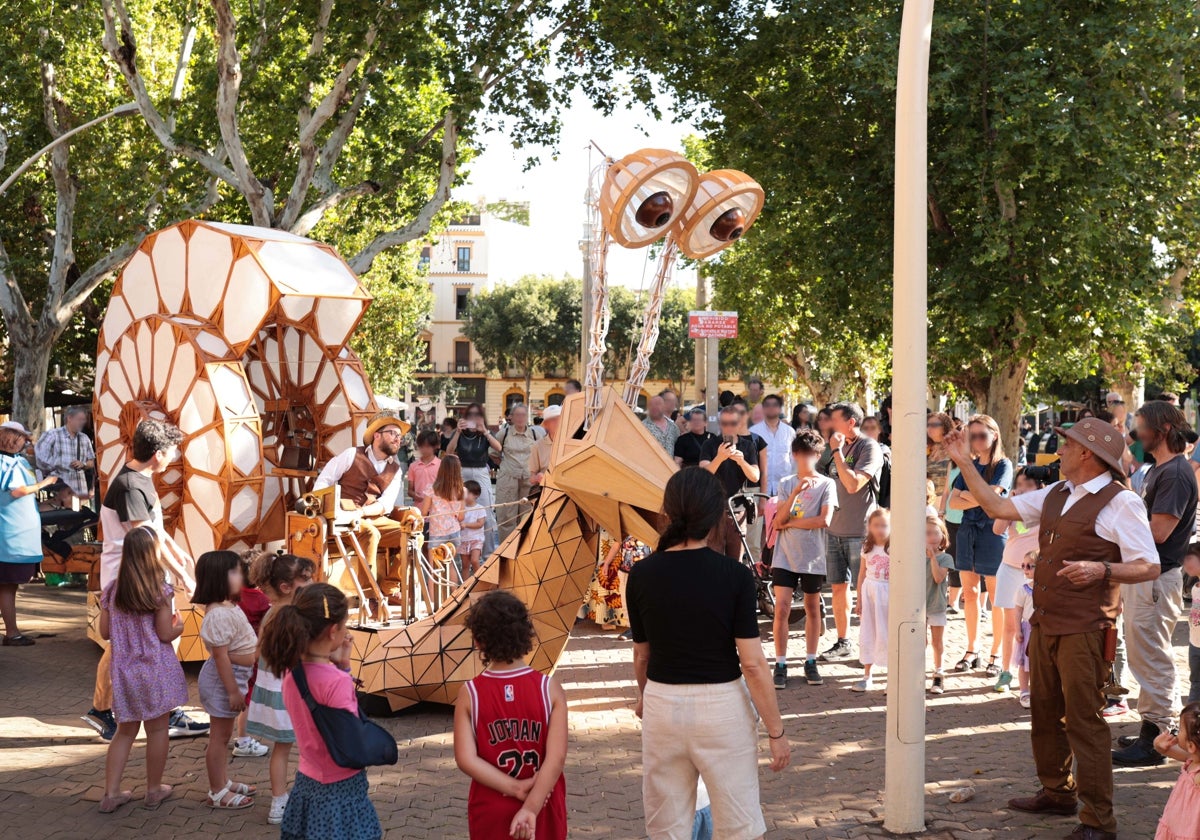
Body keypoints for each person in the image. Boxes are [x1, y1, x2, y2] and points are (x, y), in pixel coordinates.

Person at [947, 417, 1159, 840]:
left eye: (1066, 445)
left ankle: (1099, 822)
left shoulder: (1121, 502)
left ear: (1087, 454)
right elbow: (998, 507)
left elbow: (1149, 564)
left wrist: (1103, 568)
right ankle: (1057, 793)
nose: (1058, 451)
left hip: (1085, 626)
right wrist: (962, 461)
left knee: (1084, 722)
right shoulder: (1058, 492)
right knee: (1045, 714)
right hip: (1044, 620)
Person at [626, 468, 790, 839]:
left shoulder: (642, 574)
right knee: (737, 823)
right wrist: (776, 731)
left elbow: (642, 656)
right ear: (717, 514)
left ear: (668, 511)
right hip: (721, 706)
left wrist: (643, 696)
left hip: (662, 704)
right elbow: (752, 663)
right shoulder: (733, 575)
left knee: (667, 825)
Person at [83, 419, 202, 742]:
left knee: (144, 640)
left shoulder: (139, 479)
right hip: (130, 576)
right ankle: (106, 708)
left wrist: (176, 551)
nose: (176, 455)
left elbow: (154, 528)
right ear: (158, 454)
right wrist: (182, 576)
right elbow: (145, 537)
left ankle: (162, 706)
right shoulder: (132, 484)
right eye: (173, 450)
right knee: (127, 642)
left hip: (140, 573)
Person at [258, 584, 382, 840]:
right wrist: (344, 674)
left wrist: (341, 667)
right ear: (333, 630)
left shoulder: (292, 673)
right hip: (340, 787)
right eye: (345, 626)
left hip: (307, 780)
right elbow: (350, 734)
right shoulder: (335, 682)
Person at [1113, 400, 1199, 766]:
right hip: (1147, 575)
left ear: (1161, 431)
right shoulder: (1158, 469)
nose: (1136, 434)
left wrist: (1117, 531)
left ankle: (1156, 739)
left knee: (1152, 657)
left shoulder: (1176, 474)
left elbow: (1159, 531)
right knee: (1143, 655)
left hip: (1155, 576)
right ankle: (1155, 730)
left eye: (1141, 427)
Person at [454, 590, 568, 840]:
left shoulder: (469, 693)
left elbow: (466, 759)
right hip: (543, 802)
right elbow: (556, 759)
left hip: (492, 805)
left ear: (478, 641)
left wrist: (515, 788)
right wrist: (530, 808)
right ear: (526, 633)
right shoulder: (549, 689)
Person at [96, 527, 188, 814]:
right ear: (153, 554)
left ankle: (111, 793)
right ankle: (153, 790)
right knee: (158, 729)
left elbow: (105, 631)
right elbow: (163, 634)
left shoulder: (112, 590)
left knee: (125, 732)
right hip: (154, 669)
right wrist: (179, 627)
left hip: (124, 672)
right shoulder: (159, 591)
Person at [246, 552, 317, 825]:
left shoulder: (270, 614)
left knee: (283, 749)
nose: (310, 584)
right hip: (289, 693)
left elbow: (257, 653)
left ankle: (280, 799)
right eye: (305, 579)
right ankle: (283, 800)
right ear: (287, 587)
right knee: (294, 748)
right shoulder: (290, 617)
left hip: (274, 691)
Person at [314, 412, 410, 603]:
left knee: (412, 534)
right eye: (393, 433)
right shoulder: (352, 455)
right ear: (377, 435)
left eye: (400, 436)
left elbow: (385, 505)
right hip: (342, 518)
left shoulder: (396, 470)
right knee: (370, 533)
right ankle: (370, 597)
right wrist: (331, 511)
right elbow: (323, 481)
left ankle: (390, 587)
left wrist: (363, 512)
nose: (398, 439)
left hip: (370, 516)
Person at [771, 430, 837, 689]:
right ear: (795, 455)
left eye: (813, 455)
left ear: (818, 456)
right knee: (782, 608)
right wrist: (797, 491)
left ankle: (810, 661)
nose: (807, 460)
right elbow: (778, 522)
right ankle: (780, 663)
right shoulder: (787, 483)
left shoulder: (826, 484)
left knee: (812, 607)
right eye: (802, 455)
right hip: (784, 557)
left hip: (813, 557)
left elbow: (825, 520)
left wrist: (793, 523)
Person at [193, 550, 260, 810]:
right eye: (234, 571)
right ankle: (217, 791)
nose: (240, 575)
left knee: (224, 735)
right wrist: (233, 692)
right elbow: (221, 658)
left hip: (232, 678)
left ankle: (222, 780)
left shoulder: (227, 606)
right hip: (223, 682)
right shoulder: (218, 614)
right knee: (219, 738)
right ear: (217, 578)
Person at [948, 415, 1012, 677]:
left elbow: (995, 496)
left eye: (981, 435)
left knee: (997, 597)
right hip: (967, 532)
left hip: (992, 533)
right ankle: (972, 649)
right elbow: (953, 502)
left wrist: (969, 495)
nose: (976, 441)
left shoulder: (1003, 465)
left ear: (994, 435)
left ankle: (996, 653)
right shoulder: (968, 465)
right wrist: (981, 497)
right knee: (970, 593)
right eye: (972, 436)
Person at [819, 402, 883, 662]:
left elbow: (854, 483)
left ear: (851, 423)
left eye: (834, 420)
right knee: (837, 589)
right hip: (833, 530)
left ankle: (872, 646)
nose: (829, 425)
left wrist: (837, 451)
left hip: (861, 533)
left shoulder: (868, 447)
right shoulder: (831, 447)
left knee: (868, 592)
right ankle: (843, 642)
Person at [0, 422, 56, 646]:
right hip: (10, 536)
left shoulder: (17, 461)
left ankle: (12, 631)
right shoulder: (5, 462)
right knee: (7, 585)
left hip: (16, 534)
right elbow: (17, 491)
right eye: (23, 438)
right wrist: (45, 483)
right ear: (13, 438)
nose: (27, 441)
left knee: (8, 585)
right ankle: (12, 633)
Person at [991, 471, 1045, 693]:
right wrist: (1009, 504)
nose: (1023, 488)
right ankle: (1005, 671)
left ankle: (1034, 673)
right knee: (1010, 624)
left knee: (1033, 624)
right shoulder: (1013, 506)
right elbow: (997, 530)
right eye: (1019, 484)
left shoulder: (1044, 507)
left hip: (1034, 573)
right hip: (1010, 567)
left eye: (1028, 484)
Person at [699, 406, 764, 558]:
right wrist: (720, 457)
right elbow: (703, 475)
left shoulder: (747, 446)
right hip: (713, 511)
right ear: (720, 424)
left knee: (736, 561)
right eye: (725, 423)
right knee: (713, 561)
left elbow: (755, 476)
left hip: (737, 510)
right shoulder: (710, 444)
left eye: (733, 423)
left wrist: (742, 462)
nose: (728, 427)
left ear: (740, 423)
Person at [446, 403, 502, 553]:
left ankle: (488, 554)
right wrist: (457, 432)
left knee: (486, 512)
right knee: (462, 511)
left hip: (481, 471)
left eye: (477, 415)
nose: (473, 418)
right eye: (470, 416)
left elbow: (498, 448)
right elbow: (449, 451)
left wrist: (485, 431)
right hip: (462, 470)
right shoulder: (459, 432)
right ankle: (464, 551)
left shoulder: (484, 433)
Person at [232, 552, 272, 760]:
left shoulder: (235, 594)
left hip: (237, 650)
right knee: (248, 697)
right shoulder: (262, 600)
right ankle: (243, 740)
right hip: (253, 653)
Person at [853, 509, 891, 692]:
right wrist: (859, 598)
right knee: (868, 631)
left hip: (888, 593)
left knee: (887, 633)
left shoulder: (893, 548)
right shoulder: (866, 547)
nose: (880, 530)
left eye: (884, 525)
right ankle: (867, 674)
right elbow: (861, 573)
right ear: (869, 526)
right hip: (869, 593)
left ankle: (892, 677)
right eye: (876, 525)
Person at [1151, 701, 1200, 840]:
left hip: (1189, 831)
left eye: (1180, 730)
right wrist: (1159, 746)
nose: (1176, 733)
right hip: (1176, 824)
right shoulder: (1192, 758)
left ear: (1191, 746)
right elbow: (1169, 751)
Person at [493, 404, 542, 540]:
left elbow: (540, 454)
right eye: (517, 415)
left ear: (528, 417)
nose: (520, 418)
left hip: (528, 479)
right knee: (506, 515)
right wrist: (506, 466)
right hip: (508, 479)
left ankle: (522, 549)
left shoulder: (535, 434)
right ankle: (505, 550)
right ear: (512, 417)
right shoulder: (504, 433)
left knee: (527, 515)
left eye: (523, 415)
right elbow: (493, 453)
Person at [35, 406, 95, 499]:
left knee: (79, 513)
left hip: (80, 491)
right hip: (58, 490)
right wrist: (62, 466)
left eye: (84, 420)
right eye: (80, 419)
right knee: (61, 512)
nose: (83, 422)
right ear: (69, 418)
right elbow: (40, 458)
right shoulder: (52, 435)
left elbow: (92, 463)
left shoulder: (84, 438)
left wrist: (83, 464)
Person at [422, 455, 466, 578]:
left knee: (434, 570)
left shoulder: (431, 489)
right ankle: (455, 595)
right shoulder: (462, 490)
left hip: (437, 532)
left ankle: (432, 597)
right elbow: (461, 517)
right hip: (454, 532)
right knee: (451, 565)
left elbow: (424, 513)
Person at [925, 516, 955, 695]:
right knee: (919, 642)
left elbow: (938, 577)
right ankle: (916, 673)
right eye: (927, 533)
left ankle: (938, 672)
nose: (932, 537)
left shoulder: (946, 558)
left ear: (942, 536)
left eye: (936, 533)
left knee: (937, 641)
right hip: (918, 606)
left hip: (936, 605)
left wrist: (932, 558)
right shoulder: (914, 556)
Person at [750, 394, 796, 499]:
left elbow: (794, 460)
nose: (771, 408)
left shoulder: (789, 432)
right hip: (760, 490)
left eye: (775, 405)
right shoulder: (754, 432)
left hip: (785, 488)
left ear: (780, 409)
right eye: (767, 405)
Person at [1012, 551, 1038, 709]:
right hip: (1028, 628)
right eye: (1023, 566)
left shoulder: (1047, 589)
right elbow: (1018, 611)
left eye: (1029, 566)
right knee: (1024, 662)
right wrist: (1017, 630)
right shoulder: (1023, 590)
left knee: (1038, 663)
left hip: (1041, 629)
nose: (1025, 569)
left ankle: (1039, 691)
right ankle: (1024, 691)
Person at [407, 430, 441, 512]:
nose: (424, 449)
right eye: (421, 446)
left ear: (435, 446)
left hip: (437, 512)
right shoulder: (413, 466)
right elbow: (410, 490)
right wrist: (415, 495)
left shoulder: (441, 465)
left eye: (427, 446)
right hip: (420, 510)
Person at [927, 412, 954, 512]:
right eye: (928, 425)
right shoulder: (926, 449)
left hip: (947, 500)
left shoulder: (953, 447)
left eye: (934, 425)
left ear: (945, 427)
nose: (929, 428)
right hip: (929, 502)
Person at [529, 405, 562, 488]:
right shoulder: (537, 446)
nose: (558, 422)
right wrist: (537, 477)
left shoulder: (572, 443)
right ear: (546, 424)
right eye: (553, 420)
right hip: (547, 491)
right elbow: (530, 477)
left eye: (560, 418)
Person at [461, 480, 487, 577]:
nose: (465, 496)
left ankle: (480, 580)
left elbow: (480, 524)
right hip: (464, 539)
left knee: (475, 561)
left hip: (476, 539)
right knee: (465, 565)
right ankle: (465, 587)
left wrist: (466, 525)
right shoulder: (461, 508)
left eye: (467, 493)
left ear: (476, 495)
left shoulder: (480, 508)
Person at [1187, 545, 1200, 704]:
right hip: (1194, 643)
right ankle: (1191, 716)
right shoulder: (1195, 588)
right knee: (1195, 681)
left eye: (1190, 558)